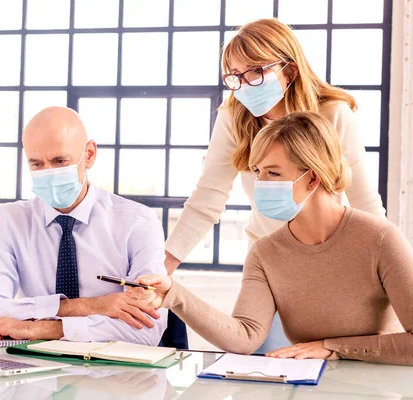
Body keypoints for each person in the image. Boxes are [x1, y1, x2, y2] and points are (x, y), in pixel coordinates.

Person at [133, 111, 413, 366]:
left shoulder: (380, 238)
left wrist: (332, 347)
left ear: (313, 177)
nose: (259, 183)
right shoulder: (265, 252)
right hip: (309, 388)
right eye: (257, 172)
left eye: (273, 173)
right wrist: (173, 294)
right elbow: (245, 336)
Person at [164, 18, 386, 352]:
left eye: (255, 71)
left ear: (290, 71)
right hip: (270, 262)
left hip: (334, 261)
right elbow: (207, 197)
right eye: (235, 76)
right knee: (259, 360)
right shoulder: (233, 117)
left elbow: (366, 203)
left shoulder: (334, 115)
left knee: (330, 365)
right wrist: (161, 268)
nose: (244, 84)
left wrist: (386, 273)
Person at [0, 106, 167, 344]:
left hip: (112, 374)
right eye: (37, 164)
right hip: (34, 370)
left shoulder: (137, 222)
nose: (49, 173)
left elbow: (146, 329)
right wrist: (94, 306)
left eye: (60, 161)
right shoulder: (10, 220)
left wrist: (39, 329)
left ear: (89, 155)